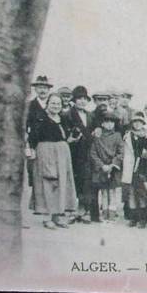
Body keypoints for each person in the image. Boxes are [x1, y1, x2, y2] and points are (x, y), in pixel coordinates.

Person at [27, 93, 80, 229]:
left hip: (62, 154)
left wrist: (72, 138)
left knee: (61, 183)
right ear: (47, 104)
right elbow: (32, 137)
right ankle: (46, 218)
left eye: (58, 104)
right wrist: (32, 150)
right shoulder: (40, 118)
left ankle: (57, 216)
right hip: (45, 152)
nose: (56, 106)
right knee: (47, 182)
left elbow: (66, 136)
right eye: (53, 103)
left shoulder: (64, 119)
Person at [61, 85, 95, 223]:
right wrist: (69, 139)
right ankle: (71, 211)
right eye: (79, 98)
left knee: (85, 181)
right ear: (74, 100)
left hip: (86, 153)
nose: (82, 101)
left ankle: (83, 210)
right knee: (72, 181)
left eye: (85, 99)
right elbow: (62, 134)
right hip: (72, 152)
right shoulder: (67, 115)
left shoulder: (90, 115)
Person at [88, 111, 124, 222]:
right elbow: (93, 153)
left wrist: (112, 164)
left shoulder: (117, 136)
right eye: (106, 122)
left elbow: (121, 152)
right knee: (103, 192)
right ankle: (104, 214)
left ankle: (112, 214)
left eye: (111, 122)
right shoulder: (97, 136)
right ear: (102, 124)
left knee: (112, 192)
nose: (109, 124)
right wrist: (102, 165)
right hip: (101, 169)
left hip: (113, 168)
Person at [120, 111, 147, 224]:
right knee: (131, 191)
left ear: (143, 124)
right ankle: (133, 217)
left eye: (140, 122)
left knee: (142, 191)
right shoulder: (128, 135)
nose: (137, 124)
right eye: (135, 122)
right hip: (130, 165)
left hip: (142, 165)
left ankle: (143, 217)